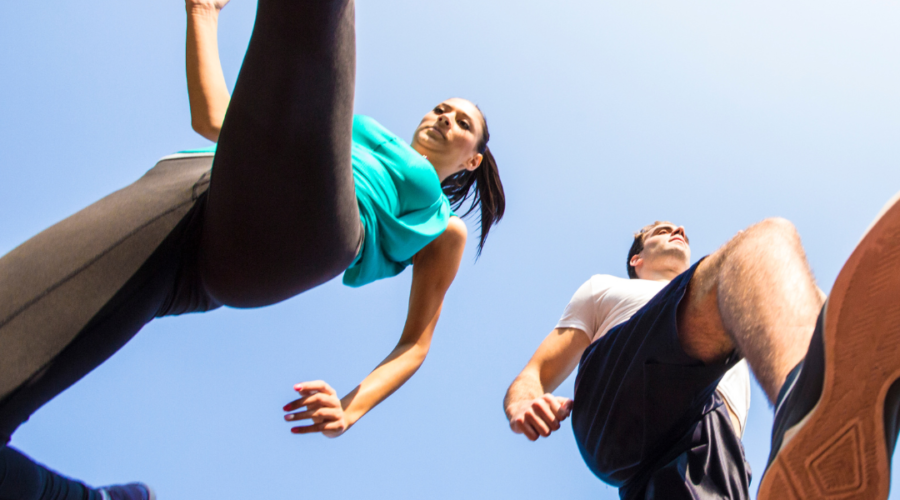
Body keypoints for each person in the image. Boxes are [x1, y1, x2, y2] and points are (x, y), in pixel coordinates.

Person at [0, 1, 505, 499]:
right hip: (186, 194)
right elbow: (214, 119)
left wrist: (351, 407)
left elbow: (416, 343)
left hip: (307, 233)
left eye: (462, 123)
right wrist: (202, 13)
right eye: (442, 108)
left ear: (472, 160)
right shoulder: (338, 133)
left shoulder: (442, 226)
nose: (445, 119)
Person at [504, 197, 900, 499]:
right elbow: (534, 373)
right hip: (620, 406)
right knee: (762, 244)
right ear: (637, 258)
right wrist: (523, 403)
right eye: (660, 230)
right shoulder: (605, 289)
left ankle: (825, 418)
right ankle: (814, 396)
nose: (677, 228)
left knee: (803, 304)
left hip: (714, 438)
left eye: (678, 228)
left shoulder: (746, 304)